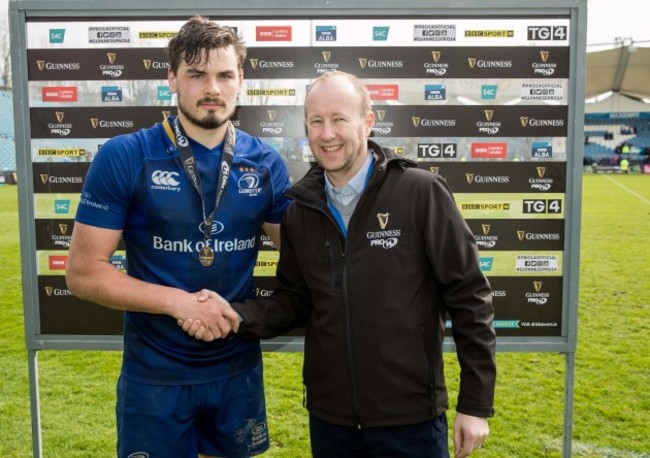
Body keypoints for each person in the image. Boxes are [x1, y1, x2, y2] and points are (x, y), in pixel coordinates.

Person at [182, 71, 497, 457]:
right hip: (331, 424)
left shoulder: (420, 192)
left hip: (410, 419)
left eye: (339, 119)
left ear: (368, 121)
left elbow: (470, 297)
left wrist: (476, 404)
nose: (326, 133)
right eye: (316, 121)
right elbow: (292, 303)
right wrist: (230, 315)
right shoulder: (300, 211)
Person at [65, 16, 292, 458]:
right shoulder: (126, 155)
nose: (213, 88)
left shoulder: (265, 163)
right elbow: (83, 274)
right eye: (196, 74)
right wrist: (181, 303)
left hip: (236, 371)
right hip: (155, 376)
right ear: (172, 78)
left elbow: (303, 258)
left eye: (225, 75)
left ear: (240, 80)